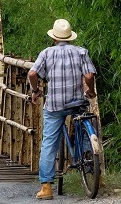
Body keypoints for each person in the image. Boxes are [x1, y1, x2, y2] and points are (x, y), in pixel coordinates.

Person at [28, 18, 97, 200]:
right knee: (85, 126)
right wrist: (90, 89)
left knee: (49, 141)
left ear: (54, 38)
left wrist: (35, 90)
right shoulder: (81, 52)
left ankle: (46, 187)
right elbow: (89, 75)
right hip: (77, 102)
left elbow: (32, 73)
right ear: (70, 38)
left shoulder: (47, 53)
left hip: (55, 105)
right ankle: (91, 165)